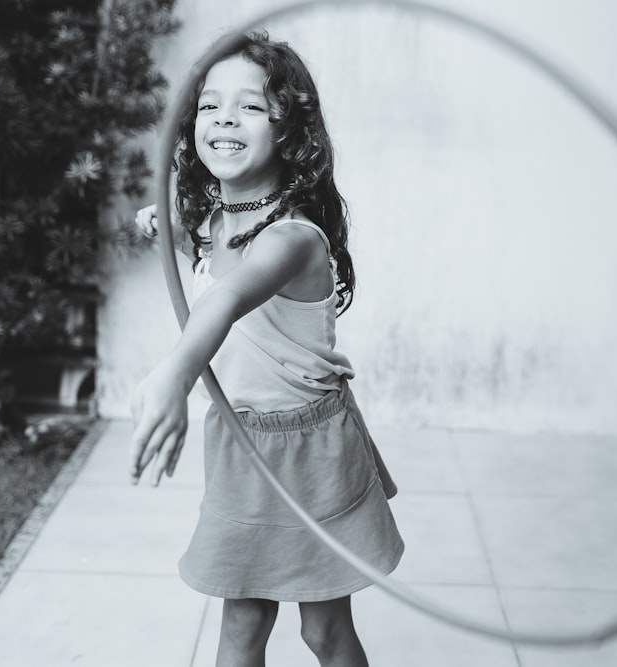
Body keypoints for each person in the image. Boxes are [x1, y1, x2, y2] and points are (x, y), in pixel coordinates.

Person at [129, 32, 404, 667]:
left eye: (251, 106)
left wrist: (172, 376)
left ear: (289, 132)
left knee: (323, 633)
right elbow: (205, 242)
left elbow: (226, 300)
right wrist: (164, 224)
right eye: (208, 105)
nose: (224, 116)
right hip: (241, 442)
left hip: (311, 451)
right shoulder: (212, 223)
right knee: (241, 629)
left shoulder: (293, 240)